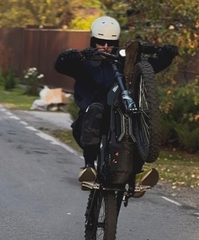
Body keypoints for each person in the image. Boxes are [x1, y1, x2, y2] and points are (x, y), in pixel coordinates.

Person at [54, 16, 178, 196]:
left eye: (110, 43)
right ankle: (89, 168)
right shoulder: (84, 62)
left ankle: (136, 175)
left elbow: (150, 67)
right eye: (100, 42)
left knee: (132, 115)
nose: (105, 47)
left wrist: (167, 55)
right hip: (90, 124)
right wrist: (70, 56)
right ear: (93, 41)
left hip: (119, 121)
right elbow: (60, 66)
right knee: (95, 109)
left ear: (116, 42)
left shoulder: (123, 64)